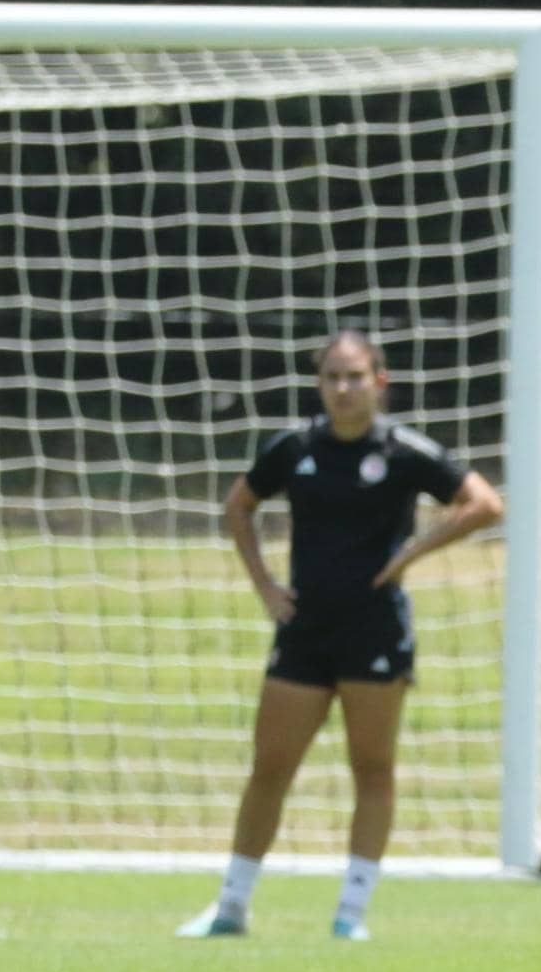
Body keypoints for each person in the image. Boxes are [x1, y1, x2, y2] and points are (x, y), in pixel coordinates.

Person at [179, 330, 503, 941]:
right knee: (271, 766)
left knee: (372, 767)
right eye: (332, 377)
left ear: (379, 382)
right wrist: (266, 588)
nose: (343, 389)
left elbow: (484, 504)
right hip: (304, 630)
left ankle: (350, 915)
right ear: (319, 385)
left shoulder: (403, 451)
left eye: (355, 376)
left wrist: (409, 555)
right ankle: (230, 908)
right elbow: (237, 506)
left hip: (374, 630)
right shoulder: (296, 447)